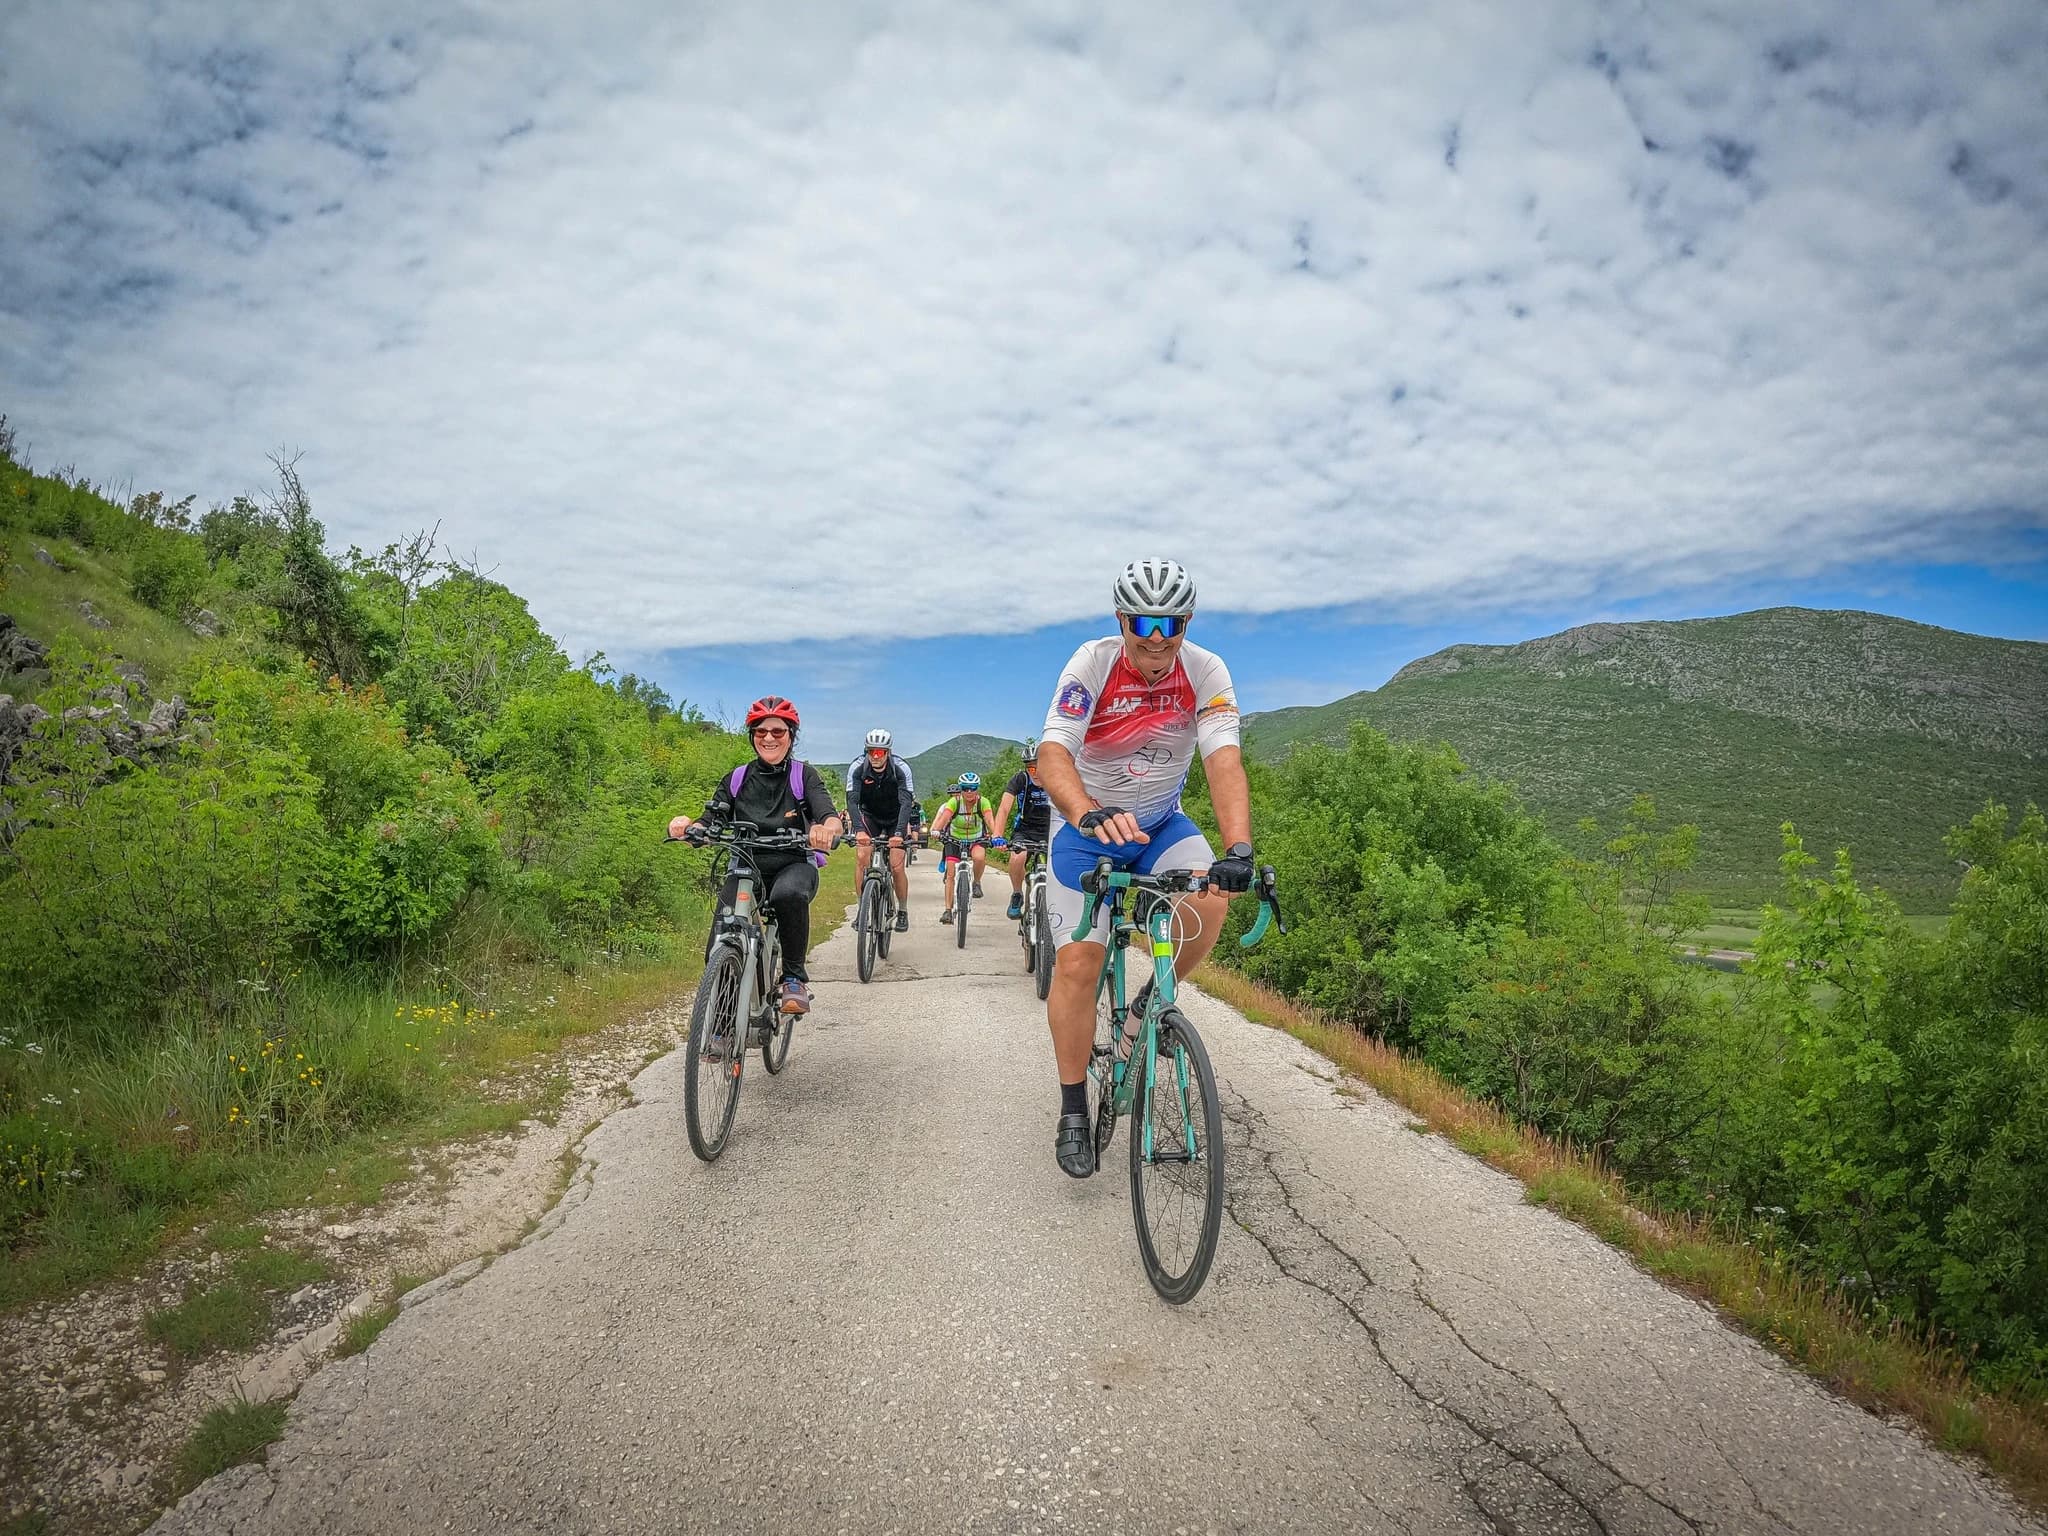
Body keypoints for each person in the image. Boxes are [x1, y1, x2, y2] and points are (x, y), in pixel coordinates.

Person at [1035, 559, 1255, 1178]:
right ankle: (1074, 1107)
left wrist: (1238, 849)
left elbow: (1223, 762)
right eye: (1142, 621)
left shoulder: (1206, 671)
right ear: (1121, 618)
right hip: (1089, 826)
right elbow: (1054, 752)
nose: (1156, 637)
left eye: (1170, 622)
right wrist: (1085, 812)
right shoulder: (1092, 663)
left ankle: (1146, 1006)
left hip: (1159, 824)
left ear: (1185, 622)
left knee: (1213, 895)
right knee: (1079, 961)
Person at [668, 696, 843, 1016]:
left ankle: (793, 978)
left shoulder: (804, 776)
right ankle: (721, 1028)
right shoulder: (736, 779)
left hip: (794, 864)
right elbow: (711, 821)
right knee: (720, 942)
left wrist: (827, 830)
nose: (769, 738)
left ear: (791, 736)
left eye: (778, 731)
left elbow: (828, 815)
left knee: (787, 895)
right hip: (746, 866)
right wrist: (687, 827)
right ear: (752, 736)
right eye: (761, 731)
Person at [844, 727, 916, 932]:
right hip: (870, 816)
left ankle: (902, 910)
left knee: (896, 865)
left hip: (896, 818)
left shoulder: (902, 768)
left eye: (880, 752)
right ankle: (861, 909)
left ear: (888, 752)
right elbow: (852, 802)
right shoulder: (857, 767)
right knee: (862, 856)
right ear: (866, 751)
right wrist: (859, 830)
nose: (876, 756)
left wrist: (900, 833)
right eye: (872, 751)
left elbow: (906, 803)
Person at [928, 771, 1001, 924]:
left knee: (979, 857)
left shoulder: (984, 802)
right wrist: (936, 831)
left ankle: (977, 883)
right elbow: (944, 818)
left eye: (973, 788)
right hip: (954, 839)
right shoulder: (954, 802)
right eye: (966, 788)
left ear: (977, 789)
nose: (969, 792)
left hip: (977, 838)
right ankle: (947, 910)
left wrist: (996, 835)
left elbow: (989, 820)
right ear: (961, 789)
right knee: (950, 874)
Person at [993, 738, 1054, 920]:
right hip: (1026, 829)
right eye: (1031, 768)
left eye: (1039, 767)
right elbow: (1004, 808)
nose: (1035, 772)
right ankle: (1017, 894)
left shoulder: (1057, 779)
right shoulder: (1021, 779)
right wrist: (997, 834)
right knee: (1017, 856)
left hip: (1052, 829)